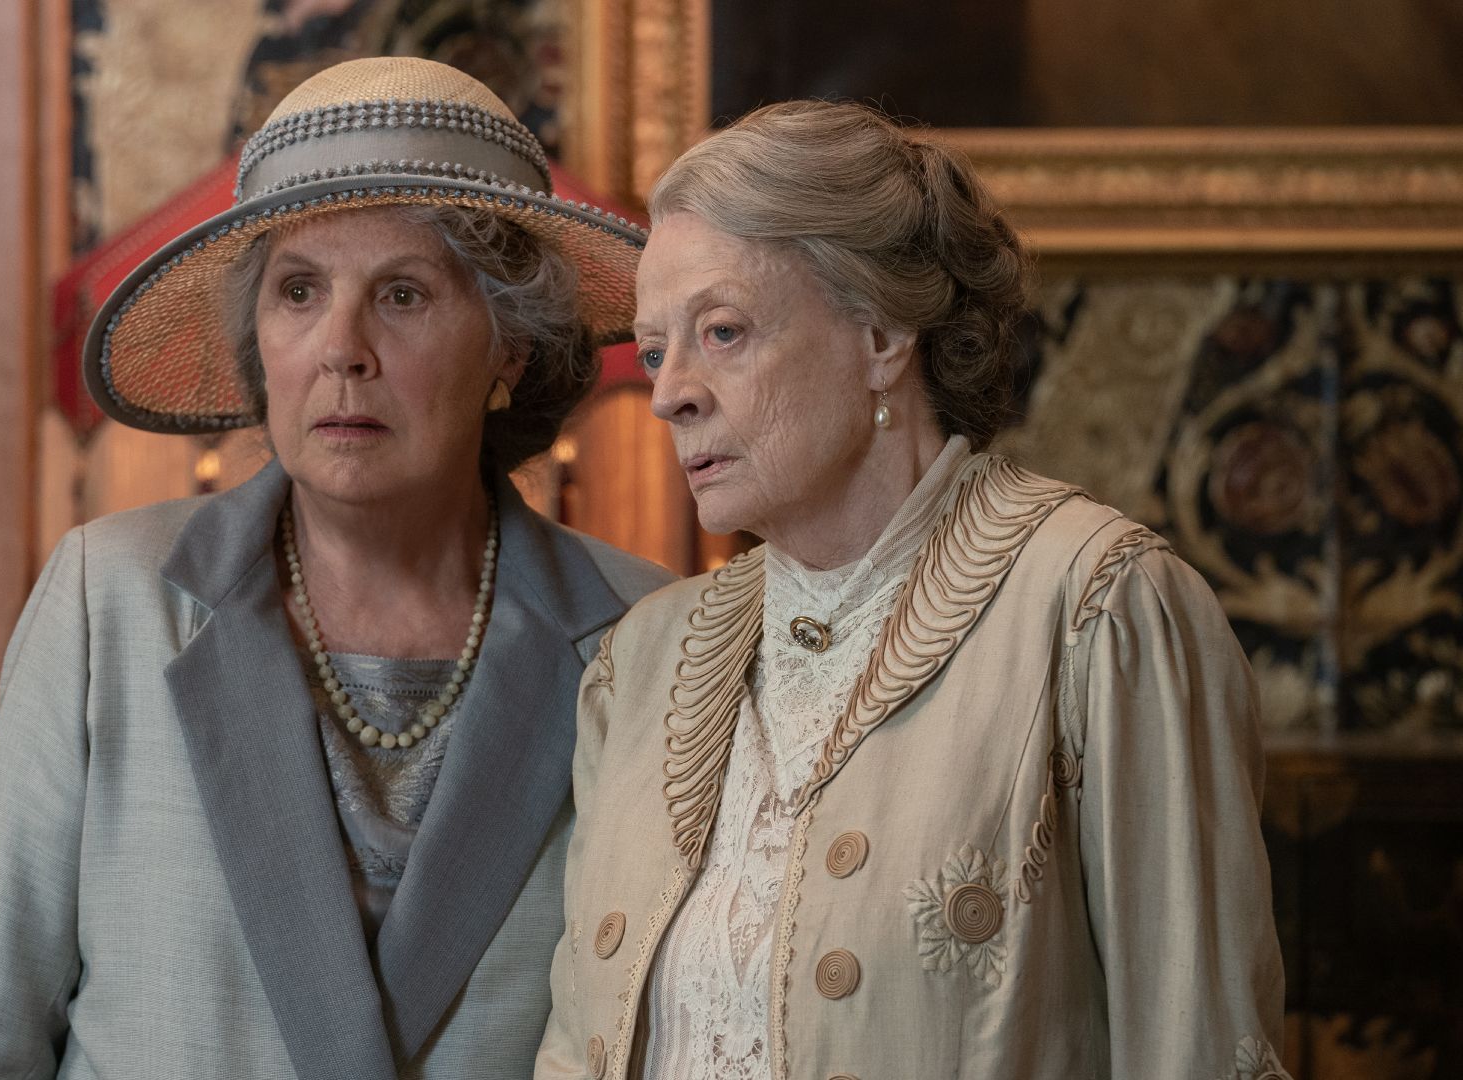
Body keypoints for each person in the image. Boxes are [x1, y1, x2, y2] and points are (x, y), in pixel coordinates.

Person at [0, 57, 671, 1080]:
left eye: (403, 294)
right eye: (299, 291)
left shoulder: (647, 639)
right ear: (258, 340)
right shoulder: (109, 601)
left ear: (511, 351)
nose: (340, 348)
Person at [536, 101, 1290, 1080]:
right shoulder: (642, 660)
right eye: (652, 351)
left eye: (721, 332)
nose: (669, 392)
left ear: (883, 335)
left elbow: (1198, 1053)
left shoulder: (1098, 609)